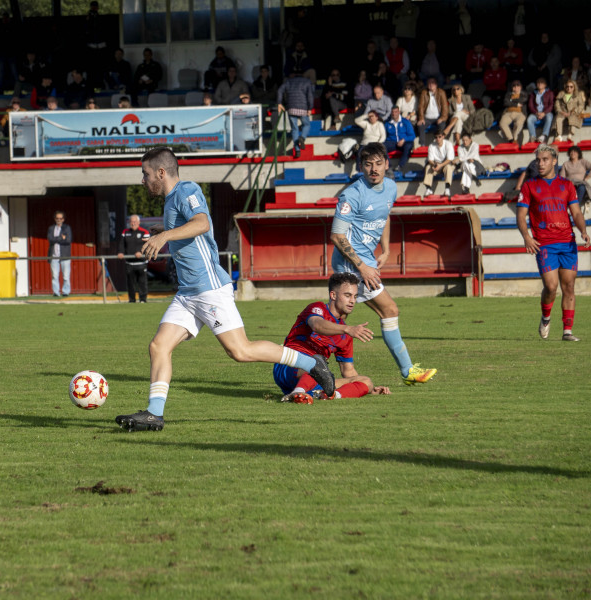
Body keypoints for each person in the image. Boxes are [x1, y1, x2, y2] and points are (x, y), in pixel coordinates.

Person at [114, 147, 335, 432]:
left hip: (210, 290)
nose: (142, 180)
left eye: (145, 174)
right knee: (158, 346)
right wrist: (162, 231)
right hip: (187, 293)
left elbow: (202, 223)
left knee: (240, 351)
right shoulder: (170, 202)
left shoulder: (187, 189)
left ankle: (309, 362)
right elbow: (185, 227)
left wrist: (167, 235)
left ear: (161, 172)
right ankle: (154, 414)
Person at [330, 142, 436, 385]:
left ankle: (309, 358)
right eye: (368, 164)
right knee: (388, 310)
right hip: (351, 265)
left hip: (366, 261)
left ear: (387, 164)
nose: (374, 169)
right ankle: (407, 372)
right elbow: (337, 235)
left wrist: (386, 250)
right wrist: (362, 267)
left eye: (378, 163)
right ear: (360, 167)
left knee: (339, 319)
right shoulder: (352, 194)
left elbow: (384, 216)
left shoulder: (390, 187)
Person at [275, 273, 391, 403]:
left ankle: (329, 395)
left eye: (355, 296)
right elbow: (317, 325)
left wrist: (370, 389)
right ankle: (298, 393)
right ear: (333, 295)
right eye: (347, 295)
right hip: (289, 367)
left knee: (366, 381)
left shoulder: (346, 335)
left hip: (315, 377)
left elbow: (348, 371)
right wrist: (347, 329)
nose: (352, 301)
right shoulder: (317, 308)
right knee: (317, 365)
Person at [515, 144, 590, 342]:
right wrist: (526, 236)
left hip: (567, 242)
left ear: (554, 161)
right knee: (551, 286)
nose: (540, 163)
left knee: (569, 286)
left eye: (545, 159)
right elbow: (521, 215)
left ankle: (567, 331)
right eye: (538, 160)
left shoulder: (567, 185)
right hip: (544, 243)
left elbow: (576, 212)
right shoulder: (529, 185)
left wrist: (583, 230)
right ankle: (546, 317)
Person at [276, 73, 315, 158]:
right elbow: (310, 96)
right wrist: (310, 108)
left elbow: (280, 90)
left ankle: (297, 150)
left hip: (291, 108)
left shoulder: (288, 82)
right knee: (306, 125)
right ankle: (303, 138)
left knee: (294, 129)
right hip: (303, 108)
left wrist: (279, 103)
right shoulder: (307, 82)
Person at [116, 214, 150, 303]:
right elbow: (122, 244)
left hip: (141, 263)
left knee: (142, 282)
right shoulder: (125, 232)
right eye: (131, 221)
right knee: (130, 283)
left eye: (135, 221)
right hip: (129, 263)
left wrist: (141, 252)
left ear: (139, 222)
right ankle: (132, 300)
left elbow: (148, 246)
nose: (133, 223)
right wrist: (120, 252)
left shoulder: (144, 232)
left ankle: (143, 299)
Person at [416, 77, 449, 146]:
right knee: (420, 125)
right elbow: (421, 107)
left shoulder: (441, 92)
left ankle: (440, 143)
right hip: (427, 118)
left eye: (432, 83)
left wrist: (442, 118)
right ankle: (422, 144)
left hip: (438, 117)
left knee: (442, 125)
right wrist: (421, 118)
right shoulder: (424, 92)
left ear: (436, 84)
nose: (431, 84)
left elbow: (445, 107)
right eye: (429, 83)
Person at [423, 129, 455, 197]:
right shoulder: (431, 146)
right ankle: (428, 189)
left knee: (448, 167)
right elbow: (430, 160)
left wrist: (440, 165)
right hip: (436, 164)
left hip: (446, 163)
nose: (438, 139)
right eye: (436, 137)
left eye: (439, 137)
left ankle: (447, 188)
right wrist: (434, 165)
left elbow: (449, 159)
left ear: (443, 136)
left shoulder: (448, 144)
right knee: (428, 167)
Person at [48, 210, 72, 297]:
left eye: (60, 218)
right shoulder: (51, 228)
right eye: (57, 218)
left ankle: (65, 291)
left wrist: (56, 239)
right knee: (55, 275)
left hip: (65, 256)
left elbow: (68, 240)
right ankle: (56, 292)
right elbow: (50, 239)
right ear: (55, 219)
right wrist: (61, 238)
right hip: (54, 256)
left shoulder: (67, 228)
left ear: (63, 219)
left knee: (66, 276)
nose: (58, 220)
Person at [384, 105, 415, 172]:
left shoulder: (405, 122)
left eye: (396, 112)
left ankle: (400, 166)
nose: (394, 113)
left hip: (404, 142)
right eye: (392, 112)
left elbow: (412, 136)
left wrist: (404, 140)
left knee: (409, 145)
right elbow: (384, 136)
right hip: (392, 142)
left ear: (399, 112)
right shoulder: (387, 123)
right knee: (382, 146)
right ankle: (389, 166)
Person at [499, 80, 527, 145]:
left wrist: (511, 101)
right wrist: (516, 104)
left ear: (520, 87)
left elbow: (523, 100)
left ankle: (515, 138)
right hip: (508, 112)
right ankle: (511, 139)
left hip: (520, 113)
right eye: (514, 86)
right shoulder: (508, 94)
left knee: (518, 123)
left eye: (518, 85)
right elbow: (506, 103)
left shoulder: (524, 94)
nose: (516, 87)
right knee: (502, 123)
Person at [527, 78, 554, 143]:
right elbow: (530, 105)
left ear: (545, 85)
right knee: (529, 119)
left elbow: (551, 105)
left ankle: (544, 135)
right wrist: (536, 113)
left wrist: (544, 113)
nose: (539, 84)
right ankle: (533, 136)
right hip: (536, 113)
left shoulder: (549, 93)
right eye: (538, 83)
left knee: (549, 117)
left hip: (546, 112)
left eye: (541, 83)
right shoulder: (533, 93)